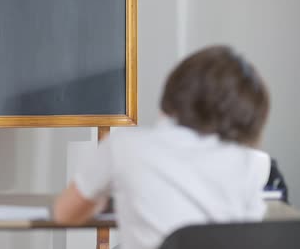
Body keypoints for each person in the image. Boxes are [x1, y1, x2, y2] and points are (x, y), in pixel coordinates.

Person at [54, 45, 271, 249]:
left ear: (177, 89)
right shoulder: (252, 164)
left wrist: (101, 202)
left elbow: (63, 214)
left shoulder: (125, 145)